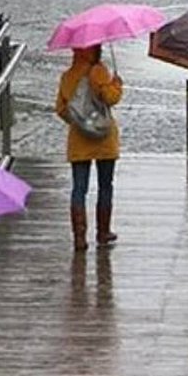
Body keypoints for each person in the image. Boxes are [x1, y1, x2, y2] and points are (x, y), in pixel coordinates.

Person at [55, 45, 123, 251]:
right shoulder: (99, 71)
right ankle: (103, 232)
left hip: (79, 140)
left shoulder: (67, 76)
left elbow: (61, 109)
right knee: (105, 185)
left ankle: (79, 237)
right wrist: (117, 85)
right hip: (104, 139)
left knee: (79, 188)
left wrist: (81, 121)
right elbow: (111, 98)